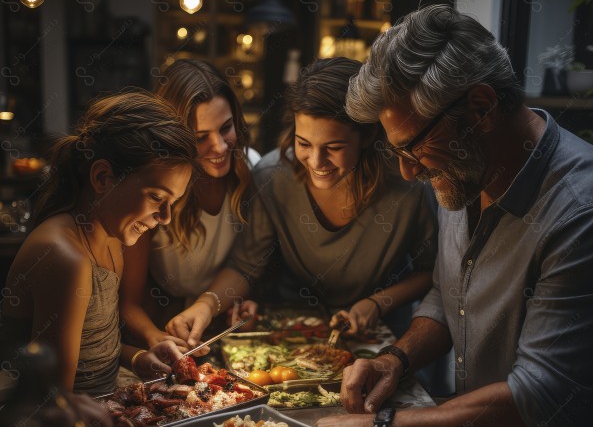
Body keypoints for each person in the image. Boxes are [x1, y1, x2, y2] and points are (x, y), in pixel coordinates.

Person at [316, 5, 593, 427]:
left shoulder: (584, 213)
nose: (408, 170)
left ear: (481, 106)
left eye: (413, 146)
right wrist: (397, 359)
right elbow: (448, 299)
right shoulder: (464, 169)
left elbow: (536, 404)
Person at [164, 57, 438, 348]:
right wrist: (206, 305)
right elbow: (245, 267)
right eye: (303, 143)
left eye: (333, 147)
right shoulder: (273, 178)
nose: (316, 162)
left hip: (383, 330)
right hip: (293, 328)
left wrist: (377, 303)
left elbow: (431, 272)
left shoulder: (408, 183)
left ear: (368, 134)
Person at [0, 90, 198, 395]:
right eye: (157, 197)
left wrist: (136, 358)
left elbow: (88, 350)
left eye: (173, 202)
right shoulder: (65, 258)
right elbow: (55, 402)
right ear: (103, 177)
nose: (166, 216)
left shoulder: (111, 240)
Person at [119, 60, 258, 354]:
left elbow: (247, 266)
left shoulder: (252, 173)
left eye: (226, 128)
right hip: (162, 323)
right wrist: (154, 337)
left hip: (226, 331)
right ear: (172, 140)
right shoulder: (155, 191)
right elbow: (128, 304)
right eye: (200, 138)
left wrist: (231, 304)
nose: (219, 147)